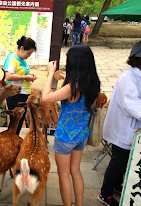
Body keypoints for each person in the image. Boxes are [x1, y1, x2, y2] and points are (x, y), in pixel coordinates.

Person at [97, 40, 141, 206]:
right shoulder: (128, 78)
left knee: (127, 161)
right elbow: (132, 106)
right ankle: (104, 194)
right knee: (118, 163)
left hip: (136, 130)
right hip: (124, 130)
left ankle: (116, 186)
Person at [42, 44, 100, 206]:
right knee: (75, 171)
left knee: (63, 175)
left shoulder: (72, 87)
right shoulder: (92, 82)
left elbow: (46, 97)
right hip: (81, 135)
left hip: (66, 137)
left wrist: (50, 74)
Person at [4, 36, 37, 135]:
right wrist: (25, 77)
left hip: (23, 94)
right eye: (28, 53)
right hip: (15, 95)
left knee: (18, 123)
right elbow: (9, 76)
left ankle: (13, 144)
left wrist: (29, 76)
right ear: (22, 48)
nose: (29, 55)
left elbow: (20, 74)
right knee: (15, 123)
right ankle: (11, 145)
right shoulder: (13, 59)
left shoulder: (22, 59)